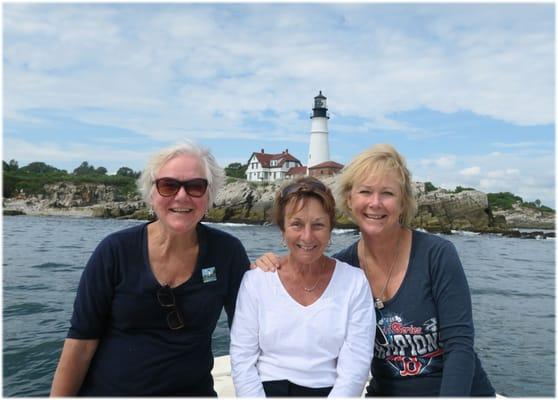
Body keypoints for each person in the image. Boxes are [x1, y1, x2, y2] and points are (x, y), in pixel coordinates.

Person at [253, 144, 495, 397]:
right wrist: (269, 264)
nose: (375, 203)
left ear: (402, 203)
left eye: (388, 193)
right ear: (349, 199)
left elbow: (460, 346)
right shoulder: (342, 269)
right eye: (365, 191)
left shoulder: (436, 254)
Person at [50, 141, 250, 396]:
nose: (181, 196)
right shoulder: (115, 251)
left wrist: (274, 268)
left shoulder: (228, 252)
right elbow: (80, 344)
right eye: (168, 185)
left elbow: (248, 335)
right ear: (151, 193)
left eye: (195, 186)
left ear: (209, 195)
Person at [230, 176, 374, 397]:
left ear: (330, 230)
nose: (307, 236)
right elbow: (242, 358)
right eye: (296, 224)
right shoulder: (257, 281)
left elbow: (356, 364)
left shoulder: (354, 282)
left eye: (318, 225)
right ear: (283, 229)